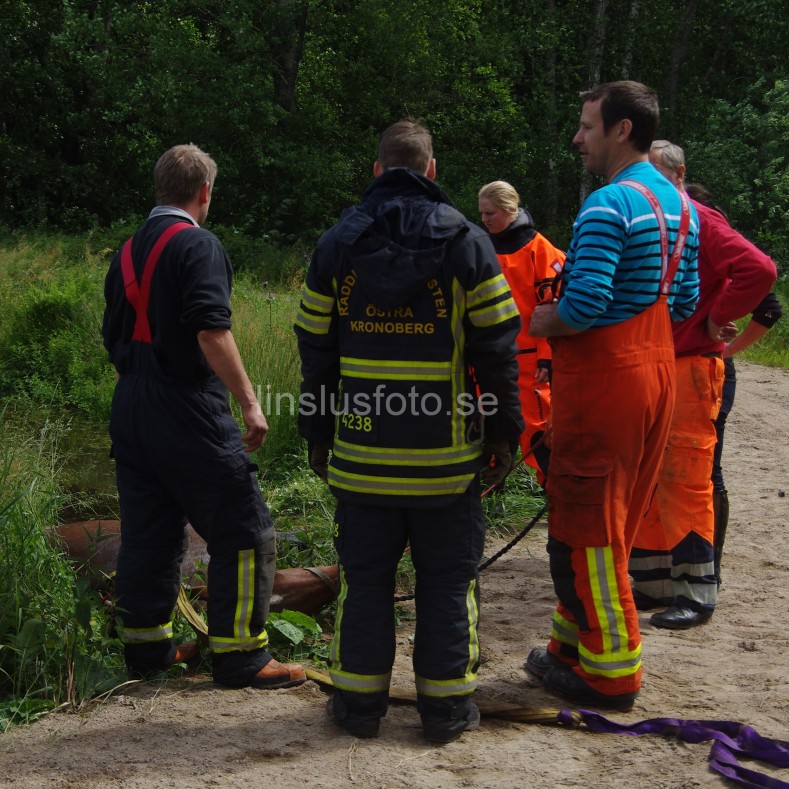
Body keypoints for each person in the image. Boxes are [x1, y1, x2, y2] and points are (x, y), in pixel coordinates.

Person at [295, 120, 523, 743]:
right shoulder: (469, 242)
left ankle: (357, 709)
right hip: (445, 464)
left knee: (365, 583)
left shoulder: (336, 245)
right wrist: (505, 436)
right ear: (430, 170)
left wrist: (317, 431)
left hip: (362, 459)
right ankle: (446, 714)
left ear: (377, 170)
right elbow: (498, 352)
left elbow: (314, 350)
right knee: (448, 585)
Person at [102, 143, 305, 689]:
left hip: (131, 403)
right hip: (185, 403)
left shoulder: (125, 253)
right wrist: (250, 403)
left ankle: (148, 654)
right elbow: (211, 330)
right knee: (244, 528)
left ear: (159, 188)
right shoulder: (198, 244)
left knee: (149, 533)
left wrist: (140, 403)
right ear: (204, 193)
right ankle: (242, 657)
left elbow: (113, 339)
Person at [525, 81, 700, 710]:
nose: (577, 138)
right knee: (610, 519)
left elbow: (586, 304)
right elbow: (682, 302)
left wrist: (542, 322)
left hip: (607, 385)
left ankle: (612, 674)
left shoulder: (607, 205)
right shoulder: (680, 205)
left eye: (587, 126)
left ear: (622, 130)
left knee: (587, 523)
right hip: (656, 376)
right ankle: (570, 646)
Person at [629, 141, 777, 629]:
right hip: (651, 364)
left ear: (677, 174)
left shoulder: (699, 217)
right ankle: (653, 582)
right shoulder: (648, 218)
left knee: (688, 479)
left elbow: (759, 270)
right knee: (648, 479)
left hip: (691, 366)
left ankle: (696, 592)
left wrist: (717, 317)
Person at [685, 183, 785, 588]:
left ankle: (712, 565)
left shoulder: (719, 258)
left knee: (710, 472)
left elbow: (770, 309)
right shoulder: (687, 263)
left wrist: (727, 351)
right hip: (689, 367)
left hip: (712, 370)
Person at [477, 180, 566, 483]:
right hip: (489, 358)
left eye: (490, 213)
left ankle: (556, 491)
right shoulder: (480, 247)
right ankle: (488, 492)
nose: (485, 220)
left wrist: (546, 358)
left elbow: (553, 308)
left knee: (538, 432)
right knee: (486, 427)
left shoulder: (540, 250)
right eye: (482, 214)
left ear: (510, 210)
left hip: (529, 362)